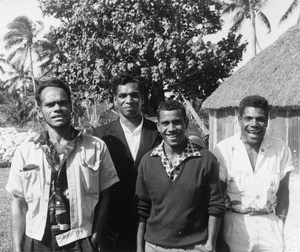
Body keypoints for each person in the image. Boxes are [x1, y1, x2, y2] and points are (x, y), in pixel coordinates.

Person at [6, 79, 119, 252]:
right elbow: (19, 204)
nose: (57, 108)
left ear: (71, 105)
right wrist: (17, 248)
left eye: (62, 102)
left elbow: (106, 195)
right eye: (50, 104)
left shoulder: (95, 147)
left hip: (80, 239)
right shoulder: (26, 151)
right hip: (37, 241)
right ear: (39, 111)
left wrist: (94, 239)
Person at [136, 99, 225, 252]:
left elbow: (215, 205)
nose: (171, 128)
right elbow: (142, 208)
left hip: (194, 246)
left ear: (186, 123)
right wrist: (139, 247)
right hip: (155, 246)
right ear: (158, 126)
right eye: (165, 123)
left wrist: (211, 243)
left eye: (177, 122)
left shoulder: (205, 159)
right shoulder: (147, 161)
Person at [213, 95, 294, 252]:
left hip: (269, 225)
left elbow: (284, 193)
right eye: (248, 118)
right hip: (235, 224)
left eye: (260, 119)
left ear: (267, 121)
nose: (254, 124)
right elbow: (218, 197)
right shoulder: (224, 150)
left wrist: (279, 224)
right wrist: (220, 237)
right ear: (239, 120)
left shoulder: (280, 149)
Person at [92, 73, 161, 252]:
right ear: (115, 100)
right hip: (113, 225)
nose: (129, 100)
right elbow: (94, 183)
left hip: (153, 222)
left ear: (143, 99)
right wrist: (101, 223)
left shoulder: (159, 133)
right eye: (122, 95)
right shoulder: (100, 135)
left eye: (134, 95)